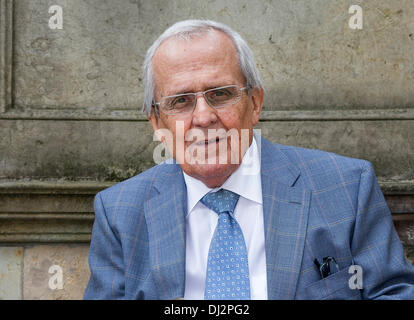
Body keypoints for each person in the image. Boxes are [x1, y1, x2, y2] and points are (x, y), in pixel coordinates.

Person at [84, 19, 414, 300]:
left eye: (220, 94)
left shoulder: (346, 187)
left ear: (255, 103)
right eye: (180, 101)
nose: (203, 117)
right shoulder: (120, 213)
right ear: (157, 122)